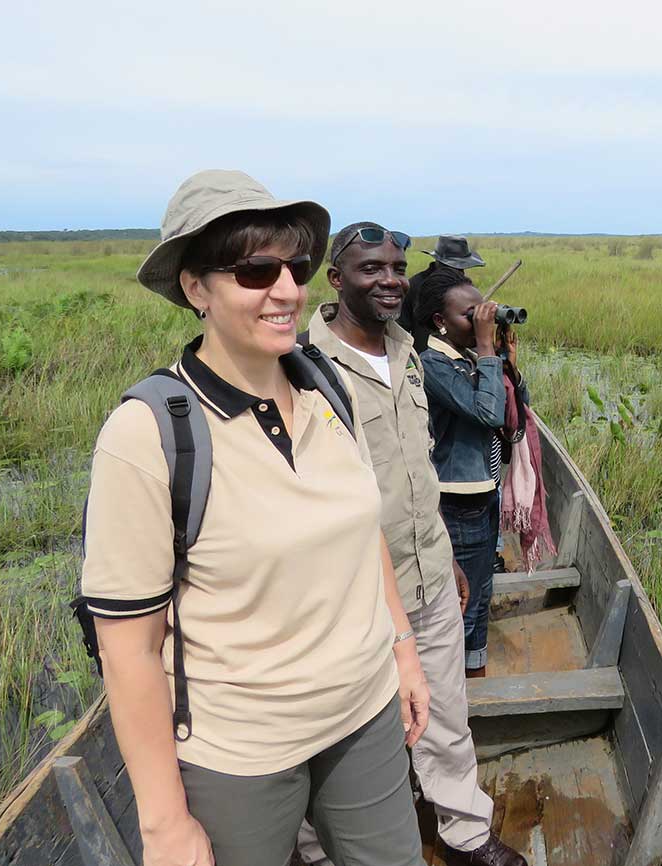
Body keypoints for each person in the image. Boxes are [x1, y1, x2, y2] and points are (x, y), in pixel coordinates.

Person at [79, 170, 428, 866]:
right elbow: (128, 649)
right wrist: (164, 823)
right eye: (253, 270)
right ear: (195, 288)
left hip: (364, 715)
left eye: (295, 267)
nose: (286, 291)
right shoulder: (150, 434)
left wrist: (404, 651)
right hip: (239, 751)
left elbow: (364, 537)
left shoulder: (325, 384)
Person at [298, 222, 528, 866]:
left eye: (397, 267)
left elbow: (417, 474)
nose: (390, 279)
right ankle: (318, 849)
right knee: (341, 729)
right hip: (355, 592)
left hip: (429, 572)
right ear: (336, 280)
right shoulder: (303, 365)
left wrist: (447, 553)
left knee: (449, 712)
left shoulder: (409, 351)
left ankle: (465, 831)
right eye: (371, 269)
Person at [414, 271, 527, 679]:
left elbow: (514, 416)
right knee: (463, 598)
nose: (482, 320)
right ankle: (454, 683)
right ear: (440, 322)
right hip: (456, 500)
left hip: (484, 490)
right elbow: (487, 413)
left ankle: (473, 672)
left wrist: (504, 363)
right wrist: (484, 348)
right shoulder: (434, 364)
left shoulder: (470, 360)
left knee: (481, 591)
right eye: (471, 315)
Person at [399, 235, 486, 341]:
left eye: (460, 267)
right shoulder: (415, 285)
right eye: (452, 267)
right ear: (438, 262)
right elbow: (402, 326)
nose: (458, 272)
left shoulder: (463, 286)